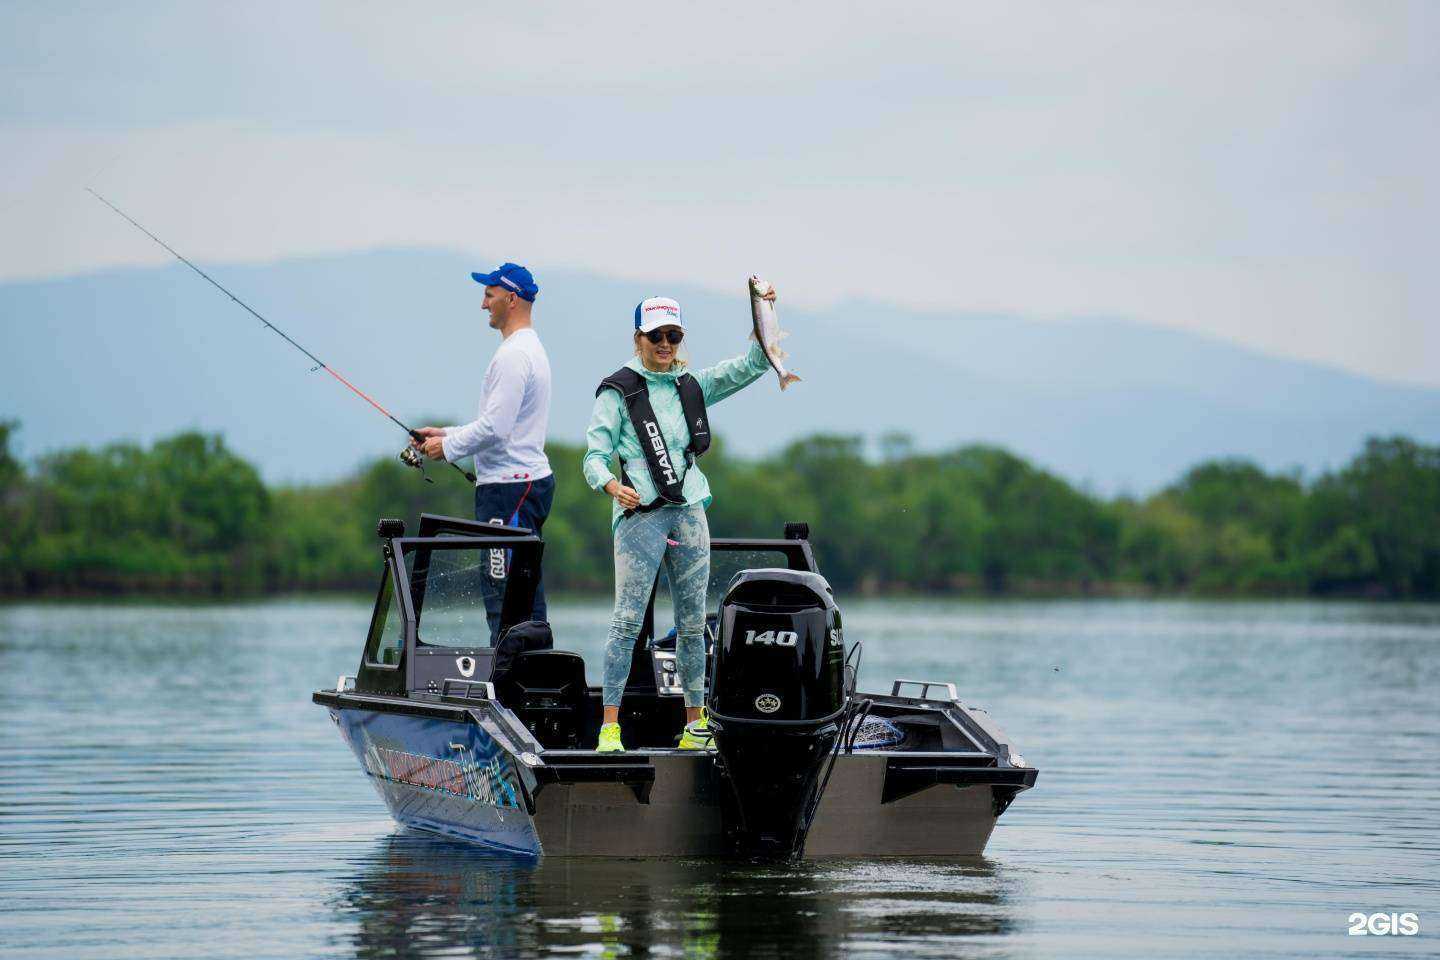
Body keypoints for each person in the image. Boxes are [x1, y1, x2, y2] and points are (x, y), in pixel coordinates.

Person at [582, 291, 776, 752]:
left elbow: (750, 366)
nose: (665, 344)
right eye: (656, 336)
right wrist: (610, 485)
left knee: (692, 625)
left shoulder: (693, 383)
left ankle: (695, 725)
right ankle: (610, 726)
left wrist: (765, 317)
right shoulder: (618, 390)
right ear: (639, 339)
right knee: (626, 622)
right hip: (639, 517)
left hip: (689, 513)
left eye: (673, 335)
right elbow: (593, 456)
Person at [414, 263, 553, 640]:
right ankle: (532, 677)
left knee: (503, 595)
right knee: (524, 597)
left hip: (509, 491)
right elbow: (503, 425)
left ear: (511, 299)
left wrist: (448, 447)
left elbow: (496, 428)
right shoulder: (529, 348)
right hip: (521, 485)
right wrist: (445, 433)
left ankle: (508, 688)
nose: (483, 304)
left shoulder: (513, 356)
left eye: (489, 295)